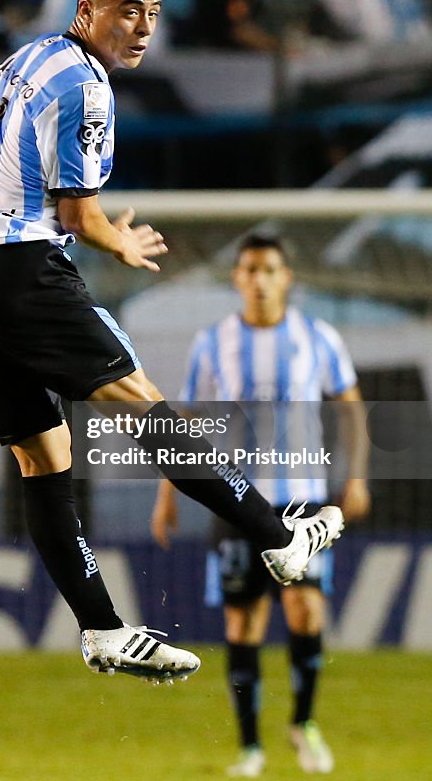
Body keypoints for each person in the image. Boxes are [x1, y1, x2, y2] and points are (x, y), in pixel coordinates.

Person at [0, 0, 344, 685]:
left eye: (152, 13)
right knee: (145, 408)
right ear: (88, 11)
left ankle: (103, 630)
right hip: (19, 272)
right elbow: (79, 216)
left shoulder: (31, 56)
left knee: (43, 457)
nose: (142, 28)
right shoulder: (88, 86)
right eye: (126, 12)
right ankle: (279, 539)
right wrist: (121, 242)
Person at [151, 234, 370, 775]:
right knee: (243, 624)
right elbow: (185, 422)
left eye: (270, 268)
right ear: (237, 278)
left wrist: (357, 478)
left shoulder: (317, 337)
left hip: (303, 499)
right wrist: (167, 494)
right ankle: (250, 747)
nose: (260, 278)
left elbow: (351, 409)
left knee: (307, 609)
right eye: (250, 268)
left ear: (287, 277)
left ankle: (304, 723)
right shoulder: (213, 342)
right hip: (236, 501)